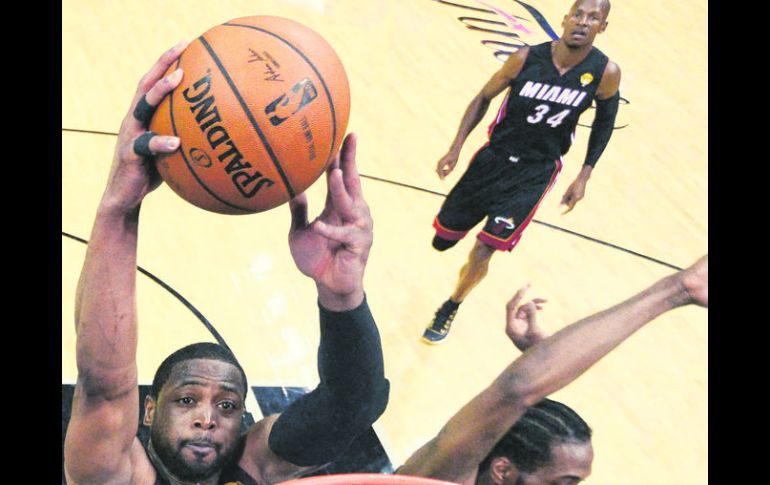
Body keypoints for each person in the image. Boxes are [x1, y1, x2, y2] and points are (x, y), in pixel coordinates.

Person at [63, 41, 390, 485]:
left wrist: (342, 294)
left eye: (228, 406)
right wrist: (118, 208)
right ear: (149, 410)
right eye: (186, 400)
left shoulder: (253, 466)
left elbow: (353, 404)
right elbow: (104, 386)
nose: (207, 419)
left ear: (244, 422)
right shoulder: (115, 474)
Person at [399, 255, 707, 484]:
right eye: (562, 484)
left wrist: (542, 356)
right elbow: (515, 393)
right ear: (503, 470)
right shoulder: (442, 477)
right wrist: (677, 290)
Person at [424, 0, 621, 343]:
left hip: (535, 173)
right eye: (578, 14)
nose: (582, 22)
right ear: (565, 19)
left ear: (602, 28)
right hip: (493, 159)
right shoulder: (525, 58)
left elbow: (605, 123)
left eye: (593, 18)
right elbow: (482, 98)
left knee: (485, 248)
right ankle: (454, 241)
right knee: (442, 241)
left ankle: (451, 305)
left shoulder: (605, 73)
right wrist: (455, 147)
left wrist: (584, 174)